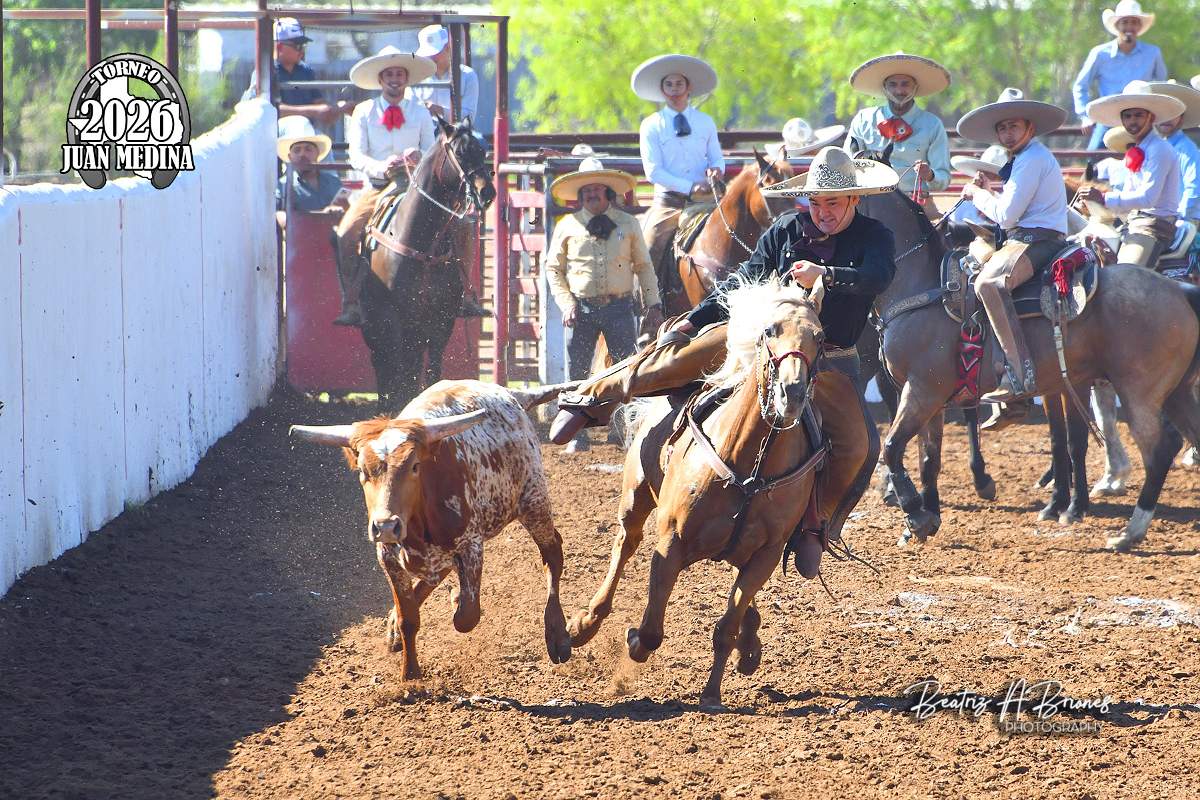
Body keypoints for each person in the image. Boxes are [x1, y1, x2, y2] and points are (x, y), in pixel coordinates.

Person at [550, 147, 899, 548]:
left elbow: (878, 276)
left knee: (858, 446)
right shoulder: (787, 229)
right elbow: (743, 279)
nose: (822, 212)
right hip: (763, 345)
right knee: (678, 355)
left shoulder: (875, 237)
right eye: (815, 202)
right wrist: (696, 318)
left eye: (832, 203)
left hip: (830, 357)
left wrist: (827, 274)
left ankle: (815, 524)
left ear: (854, 199)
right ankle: (592, 396)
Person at [956, 88, 1070, 416]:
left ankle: (1019, 376)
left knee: (989, 284)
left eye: (1013, 126)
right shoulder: (1027, 158)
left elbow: (1007, 216)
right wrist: (988, 192)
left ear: (1029, 128)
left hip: (1037, 241)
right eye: (1002, 128)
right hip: (1029, 238)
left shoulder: (1031, 159)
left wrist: (976, 194)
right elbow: (1014, 210)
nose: (1007, 133)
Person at [544, 158, 664, 452]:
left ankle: (623, 428)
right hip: (581, 309)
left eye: (596, 189)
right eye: (586, 190)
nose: (591, 194)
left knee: (626, 368)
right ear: (580, 194)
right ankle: (576, 433)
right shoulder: (567, 226)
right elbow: (553, 268)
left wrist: (653, 304)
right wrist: (566, 303)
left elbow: (643, 266)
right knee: (577, 370)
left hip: (619, 307)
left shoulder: (628, 224)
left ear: (608, 192)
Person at [332, 46, 436, 327]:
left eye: (399, 74)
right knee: (346, 233)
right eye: (389, 74)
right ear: (380, 79)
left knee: (454, 225)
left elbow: (431, 150)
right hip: (376, 186)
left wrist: (418, 158)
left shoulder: (420, 113)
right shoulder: (364, 112)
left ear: (406, 78)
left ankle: (463, 295)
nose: (394, 79)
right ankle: (352, 301)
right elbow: (356, 155)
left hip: (414, 186)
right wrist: (382, 166)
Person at [632, 54, 726, 272]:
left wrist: (717, 169)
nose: (674, 89)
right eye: (669, 84)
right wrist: (690, 187)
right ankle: (646, 293)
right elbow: (653, 171)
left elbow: (716, 157)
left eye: (679, 84)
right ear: (662, 90)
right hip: (669, 204)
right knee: (649, 250)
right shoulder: (651, 125)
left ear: (688, 87)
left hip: (705, 200)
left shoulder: (705, 122)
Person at [1080, 80, 1184, 267]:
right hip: (1134, 221)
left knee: (1123, 274)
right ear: (1122, 120)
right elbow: (1131, 195)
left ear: (1151, 117)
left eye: (1138, 115)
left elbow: (1148, 198)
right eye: (1127, 116)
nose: (1132, 121)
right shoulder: (1141, 149)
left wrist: (1103, 198)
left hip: (1155, 226)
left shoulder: (1159, 149)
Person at [843, 51, 951, 213]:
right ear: (884, 88)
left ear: (915, 87)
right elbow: (846, 164)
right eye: (893, 84)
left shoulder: (932, 125)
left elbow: (943, 177)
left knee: (935, 228)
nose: (899, 90)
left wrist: (929, 175)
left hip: (917, 204)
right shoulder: (864, 120)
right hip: (869, 203)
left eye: (905, 84)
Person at [1072, 0, 1166, 150]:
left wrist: (1159, 116)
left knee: (1154, 154)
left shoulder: (1153, 53)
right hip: (1108, 119)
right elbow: (1080, 85)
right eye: (1125, 22)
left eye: (1134, 22)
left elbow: (1163, 87)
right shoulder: (1100, 53)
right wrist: (1085, 116)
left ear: (1139, 27)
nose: (1129, 27)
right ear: (1117, 26)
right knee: (1093, 158)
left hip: (1141, 121)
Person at [245, 18, 352, 126]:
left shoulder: (306, 71)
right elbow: (266, 110)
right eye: (297, 46)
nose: (302, 51)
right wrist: (313, 111)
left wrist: (340, 108)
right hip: (276, 131)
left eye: (303, 46)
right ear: (280, 47)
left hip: (306, 131)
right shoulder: (265, 73)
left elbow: (322, 109)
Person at [275, 116, 344, 230]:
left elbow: (347, 213)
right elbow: (278, 215)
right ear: (290, 157)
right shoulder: (283, 186)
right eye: (297, 150)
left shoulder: (334, 183)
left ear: (317, 154)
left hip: (332, 239)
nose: (302, 154)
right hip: (300, 239)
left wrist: (339, 210)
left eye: (308, 149)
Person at [1146, 80, 1200, 226]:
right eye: (1163, 113)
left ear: (1181, 118)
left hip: (1183, 221)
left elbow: (1194, 188)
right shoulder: (1155, 147)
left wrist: (1179, 218)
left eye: (1173, 113)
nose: (1167, 118)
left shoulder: (1186, 149)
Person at [408, 24, 479, 124]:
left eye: (435, 53)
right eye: (427, 54)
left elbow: (469, 118)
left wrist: (440, 111)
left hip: (455, 132)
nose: (431, 57)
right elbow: (409, 111)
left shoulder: (468, 76)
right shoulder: (416, 77)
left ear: (448, 48)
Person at [949, 145, 1008, 226]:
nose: (985, 178)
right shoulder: (965, 204)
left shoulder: (1007, 199)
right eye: (982, 173)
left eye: (992, 176)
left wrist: (985, 192)